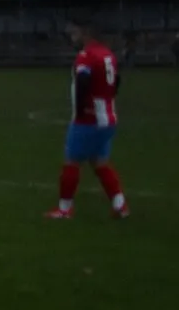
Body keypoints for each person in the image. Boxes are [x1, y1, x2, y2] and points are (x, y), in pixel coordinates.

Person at [48, 20, 128, 220]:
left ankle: (65, 209)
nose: (72, 38)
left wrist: (82, 106)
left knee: (72, 161)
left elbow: (83, 79)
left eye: (75, 33)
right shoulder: (107, 54)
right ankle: (120, 205)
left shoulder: (86, 55)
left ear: (86, 33)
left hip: (88, 119)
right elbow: (116, 79)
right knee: (99, 161)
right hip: (108, 117)